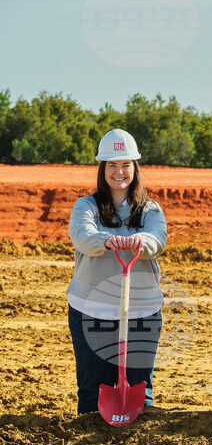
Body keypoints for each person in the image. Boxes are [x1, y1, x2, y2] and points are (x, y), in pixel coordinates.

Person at [67, 129, 167, 414]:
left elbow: (157, 239)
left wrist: (139, 241)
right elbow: (82, 235)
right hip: (91, 310)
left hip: (141, 312)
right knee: (91, 393)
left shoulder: (150, 209)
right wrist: (107, 240)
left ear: (135, 168)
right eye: (112, 165)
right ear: (103, 169)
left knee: (140, 390)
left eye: (125, 164)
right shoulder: (86, 206)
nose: (119, 171)